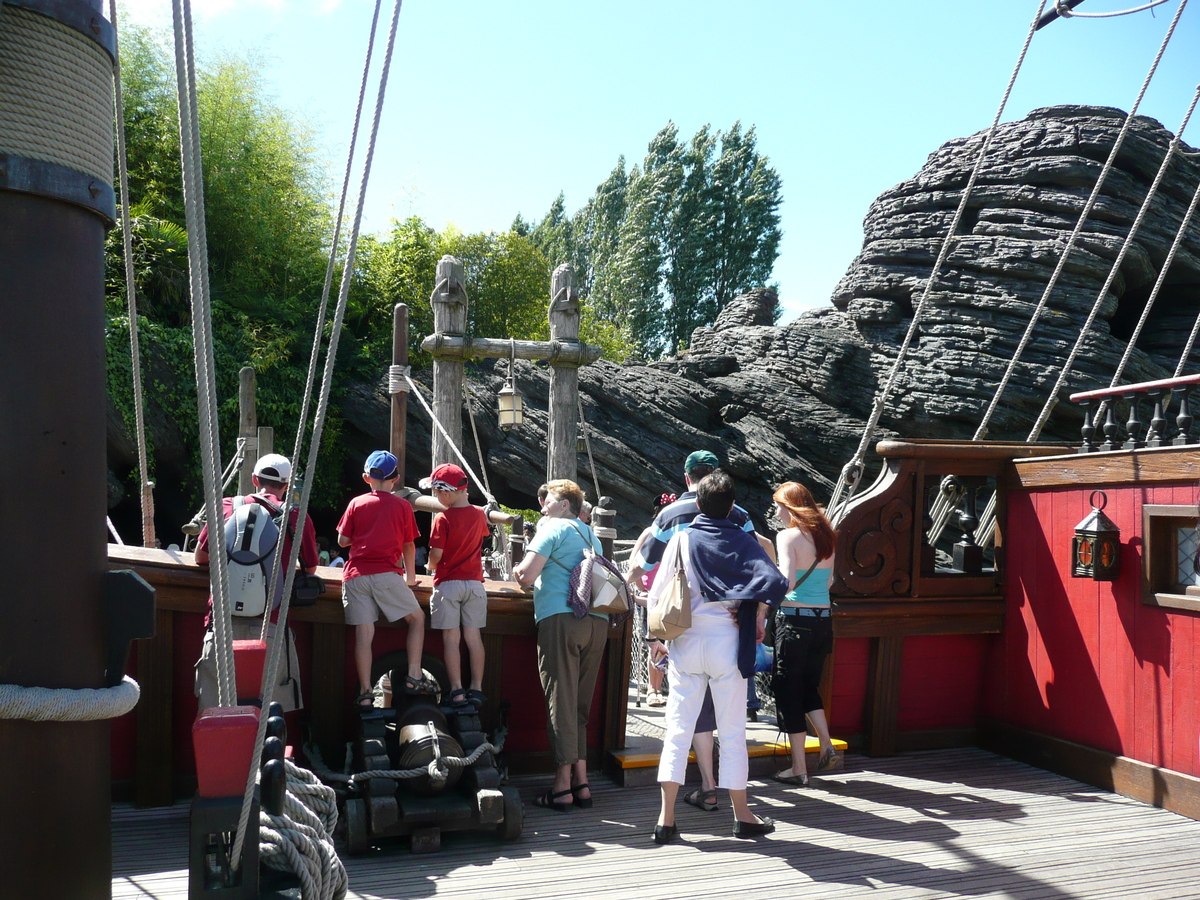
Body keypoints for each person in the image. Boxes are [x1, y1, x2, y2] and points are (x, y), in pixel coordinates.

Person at [647, 470, 787, 844]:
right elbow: (774, 581)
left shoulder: (680, 539)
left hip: (687, 644)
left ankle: (666, 819)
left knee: (677, 731)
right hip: (728, 644)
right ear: (731, 506)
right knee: (733, 734)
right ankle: (743, 816)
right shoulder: (742, 540)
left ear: (699, 502)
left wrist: (656, 639)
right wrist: (755, 614)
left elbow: (659, 592)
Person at [193, 453, 318, 718]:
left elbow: (201, 557)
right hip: (269, 625)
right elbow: (311, 567)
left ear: (253, 479)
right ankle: (261, 760)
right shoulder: (295, 516)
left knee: (216, 712)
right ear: (286, 486)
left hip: (222, 624)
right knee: (267, 716)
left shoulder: (225, 506)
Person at [513, 479, 606, 813]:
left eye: (548, 501)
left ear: (564, 504)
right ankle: (581, 782)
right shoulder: (589, 533)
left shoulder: (551, 528)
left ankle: (562, 787)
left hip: (561, 618)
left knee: (560, 702)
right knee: (579, 706)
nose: (542, 507)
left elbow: (526, 574)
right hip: (596, 623)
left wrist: (516, 570)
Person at [337, 450, 432, 710]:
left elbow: (342, 541)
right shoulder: (402, 506)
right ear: (396, 479)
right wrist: (411, 579)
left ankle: (366, 691)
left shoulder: (356, 503)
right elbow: (409, 546)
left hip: (356, 575)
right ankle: (414, 676)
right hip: (386, 575)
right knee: (417, 619)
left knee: (364, 633)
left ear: (366, 478)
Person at [769, 481, 839, 785]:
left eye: (778, 506)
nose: (777, 512)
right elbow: (828, 582)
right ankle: (826, 743)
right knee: (809, 686)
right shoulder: (827, 536)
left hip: (795, 622)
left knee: (787, 691)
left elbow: (787, 583)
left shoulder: (788, 537)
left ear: (789, 507)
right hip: (823, 621)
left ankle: (798, 768)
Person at [423, 463, 490, 709]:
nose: (436, 497)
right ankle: (477, 688)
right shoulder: (479, 514)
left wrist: (429, 565)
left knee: (451, 639)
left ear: (446, 492)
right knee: (474, 638)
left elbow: (436, 554)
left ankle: (457, 690)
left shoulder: (442, 518)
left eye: (436, 492)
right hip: (474, 584)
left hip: (448, 584)